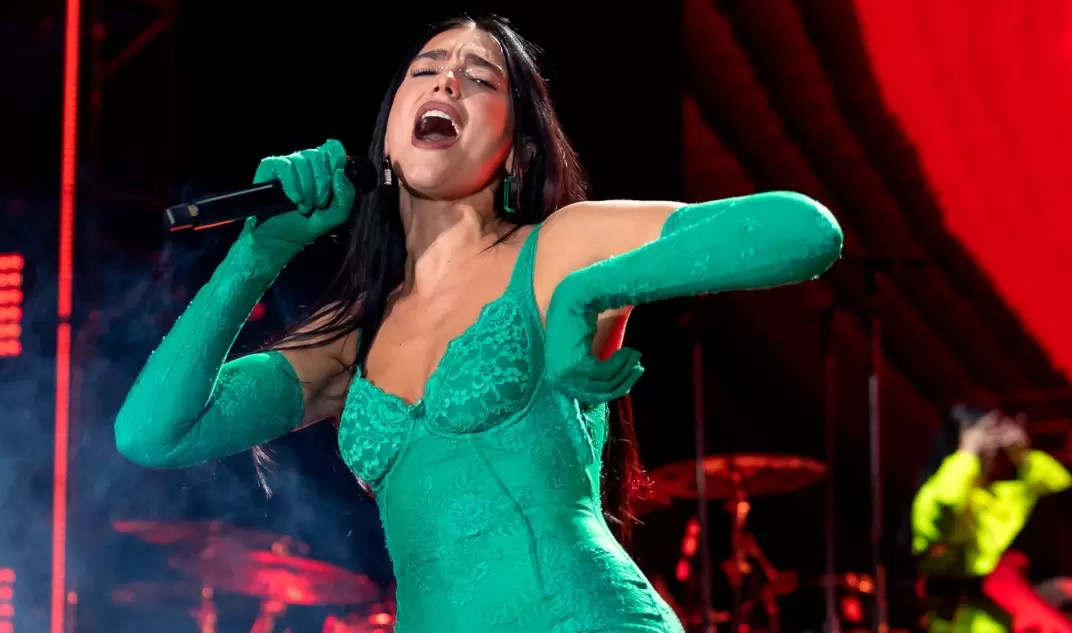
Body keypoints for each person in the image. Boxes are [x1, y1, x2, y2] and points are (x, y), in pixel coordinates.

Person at [114, 15, 843, 633]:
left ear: (519, 148)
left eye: (480, 78)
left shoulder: (557, 247)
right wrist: (259, 252)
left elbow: (803, 231)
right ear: (388, 141)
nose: (447, 82)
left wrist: (588, 291)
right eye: (426, 70)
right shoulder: (352, 336)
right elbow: (153, 432)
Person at [910, 405, 1072, 633]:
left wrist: (1024, 459)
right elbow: (946, 508)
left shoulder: (1012, 493)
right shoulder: (941, 491)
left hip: (1017, 617)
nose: (996, 441)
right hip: (961, 620)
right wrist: (967, 454)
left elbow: (1061, 494)